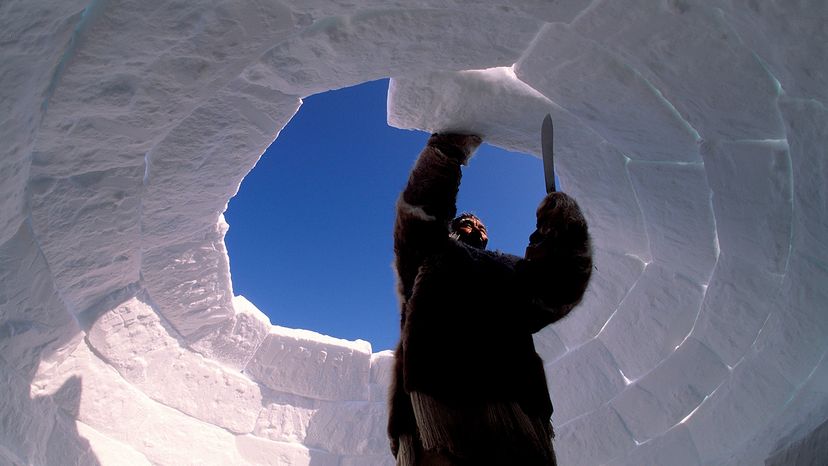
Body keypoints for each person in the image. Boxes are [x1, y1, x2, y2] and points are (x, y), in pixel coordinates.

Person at [387, 133, 593, 465]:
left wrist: (560, 230)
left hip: (516, 412)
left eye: (482, 226)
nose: (478, 228)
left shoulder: (509, 271)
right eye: (469, 223)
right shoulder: (429, 254)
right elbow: (419, 216)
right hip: (438, 413)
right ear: (453, 227)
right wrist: (447, 154)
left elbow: (557, 291)